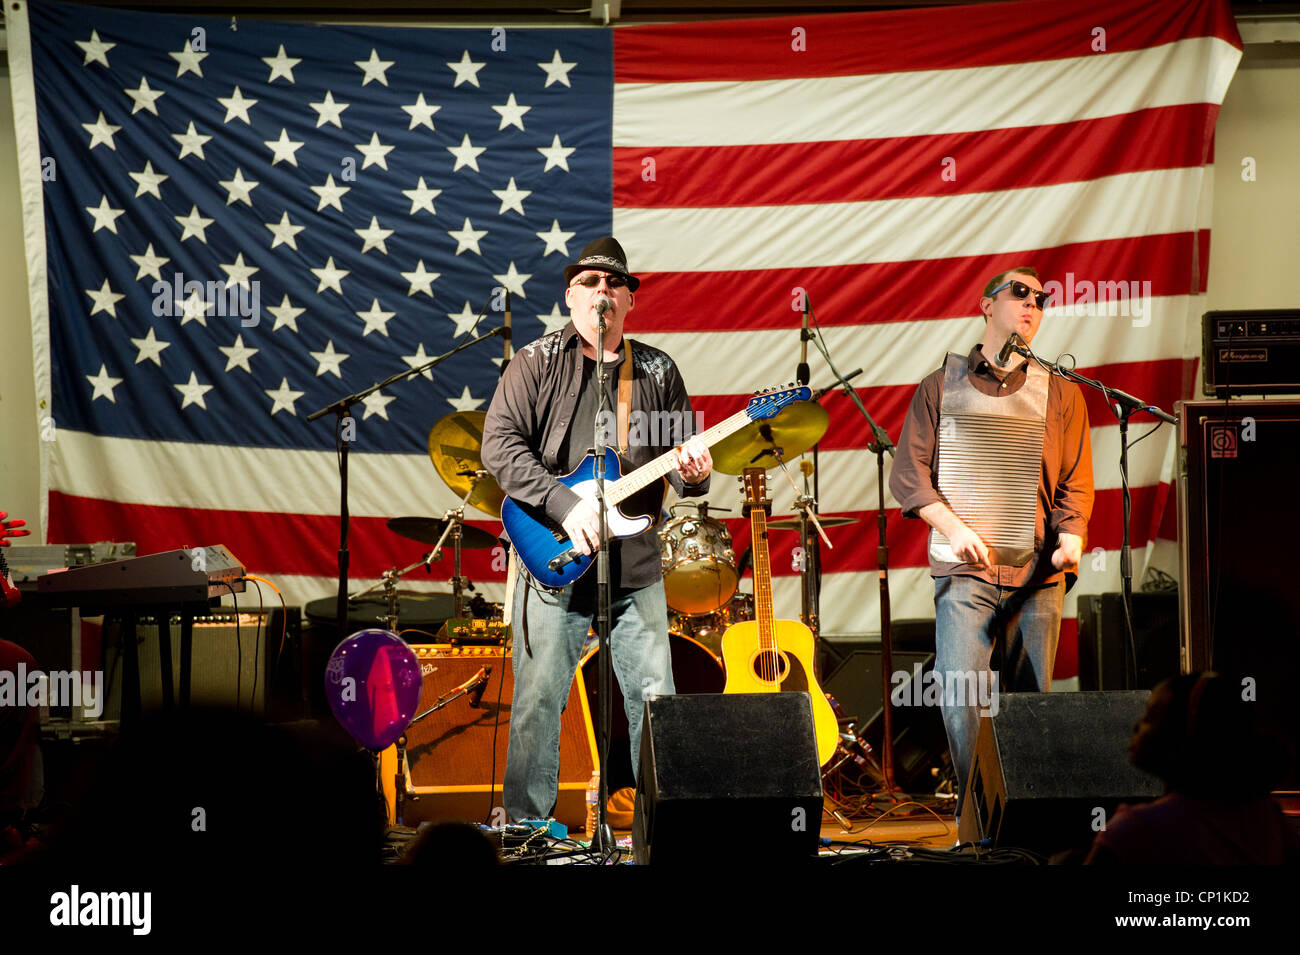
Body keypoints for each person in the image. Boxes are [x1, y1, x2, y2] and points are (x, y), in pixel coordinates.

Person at [482, 237, 712, 822]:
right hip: (554, 557)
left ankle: (663, 831)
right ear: (569, 296)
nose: (601, 293)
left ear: (630, 301)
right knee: (537, 699)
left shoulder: (657, 369)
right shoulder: (534, 362)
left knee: (655, 698)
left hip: (634, 562)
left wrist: (696, 472)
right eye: (589, 283)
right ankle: (528, 829)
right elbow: (499, 446)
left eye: (614, 284)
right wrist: (565, 505)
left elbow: (683, 467)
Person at [889, 268, 1094, 812]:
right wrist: (955, 529)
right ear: (986, 305)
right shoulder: (940, 387)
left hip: (1037, 574)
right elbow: (908, 476)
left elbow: (1076, 478)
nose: (1033, 304)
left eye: (1042, 299)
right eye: (1020, 293)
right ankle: (977, 821)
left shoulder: (1063, 393)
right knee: (962, 699)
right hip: (967, 576)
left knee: (1030, 706)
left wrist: (1071, 536)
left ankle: (1027, 827)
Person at [1086, 673, 1300, 864]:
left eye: (1150, 717)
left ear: (1179, 737)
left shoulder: (1136, 829)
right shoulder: (1267, 818)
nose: (1136, 726)